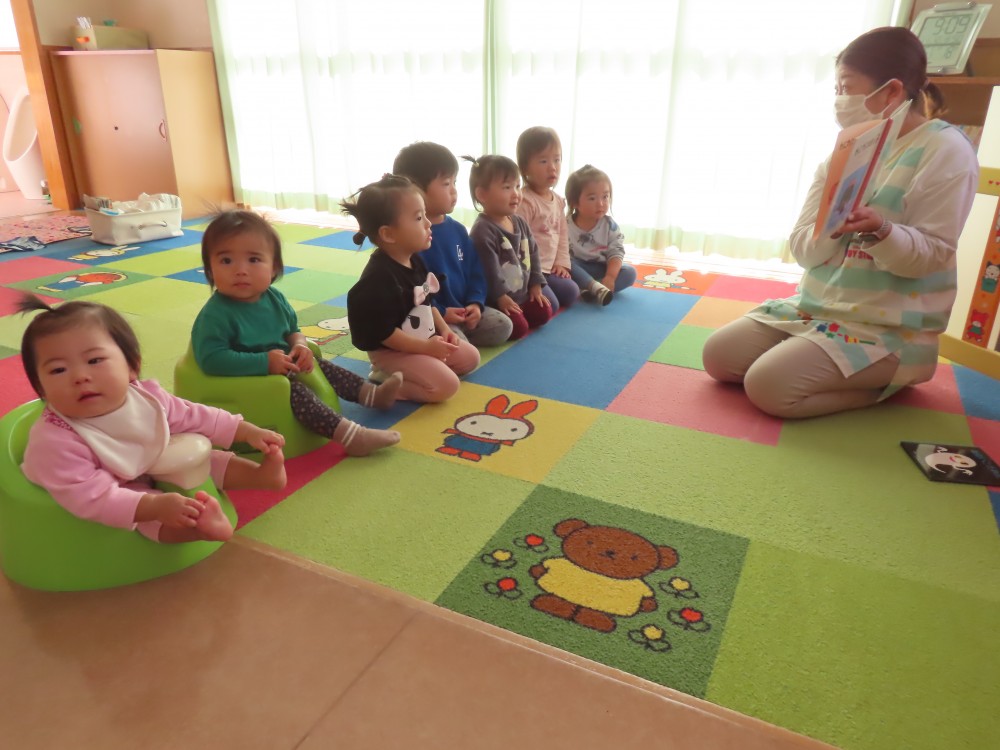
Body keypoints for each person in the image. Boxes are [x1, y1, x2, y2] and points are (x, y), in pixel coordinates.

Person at [702, 27, 978, 419]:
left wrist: (881, 230)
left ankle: (888, 382)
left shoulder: (944, 149)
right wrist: (833, 221)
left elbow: (931, 255)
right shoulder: (848, 150)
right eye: (836, 89)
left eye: (846, 87)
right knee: (718, 358)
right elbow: (804, 251)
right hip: (817, 308)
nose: (839, 100)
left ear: (892, 91)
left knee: (768, 387)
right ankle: (814, 360)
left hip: (889, 328)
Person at [17, 295, 286, 544]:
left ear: (132, 366)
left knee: (204, 458)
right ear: (41, 388)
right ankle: (197, 530)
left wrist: (245, 431)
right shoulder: (55, 441)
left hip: (145, 463)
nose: (79, 377)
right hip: (104, 486)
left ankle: (261, 475)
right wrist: (153, 506)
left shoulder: (146, 398)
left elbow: (194, 416)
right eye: (58, 370)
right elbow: (91, 496)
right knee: (144, 516)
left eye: (95, 360)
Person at [191, 210, 402, 457]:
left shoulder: (274, 299)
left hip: (280, 365)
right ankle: (351, 436)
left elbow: (292, 330)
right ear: (209, 270)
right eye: (226, 261)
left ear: (274, 267)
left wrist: (299, 345)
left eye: (254, 260)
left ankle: (372, 395)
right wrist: (263, 362)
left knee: (320, 365)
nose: (240, 270)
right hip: (245, 378)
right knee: (295, 392)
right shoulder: (215, 316)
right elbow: (211, 359)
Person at [344, 174, 480, 403]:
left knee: (470, 358)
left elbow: (427, 302)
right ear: (388, 234)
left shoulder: (414, 259)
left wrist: (444, 330)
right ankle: (385, 382)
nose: (428, 223)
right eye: (418, 218)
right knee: (447, 386)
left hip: (420, 337)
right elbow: (386, 334)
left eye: (425, 215)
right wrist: (426, 348)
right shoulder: (378, 281)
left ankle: (417, 370)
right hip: (391, 350)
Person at [392, 141, 513, 346]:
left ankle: (458, 338)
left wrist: (475, 303)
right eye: (446, 184)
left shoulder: (457, 230)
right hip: (434, 316)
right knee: (457, 349)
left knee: (504, 326)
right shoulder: (411, 238)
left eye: (455, 182)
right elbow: (411, 289)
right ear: (415, 189)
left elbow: (475, 271)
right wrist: (442, 312)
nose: (454, 191)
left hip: (464, 310)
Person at [466, 154, 554, 340]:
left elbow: (533, 253)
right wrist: (500, 297)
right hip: (498, 299)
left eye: (517, 186)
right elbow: (489, 271)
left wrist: (536, 284)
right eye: (507, 187)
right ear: (482, 195)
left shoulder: (519, 222)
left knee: (544, 312)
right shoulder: (483, 230)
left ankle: (522, 308)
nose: (516, 194)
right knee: (519, 328)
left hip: (522, 293)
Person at [515, 126, 584, 311]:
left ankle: (548, 288)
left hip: (549, 269)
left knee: (571, 292)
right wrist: (532, 279)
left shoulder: (558, 201)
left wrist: (561, 263)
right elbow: (518, 244)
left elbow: (562, 236)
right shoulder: (525, 201)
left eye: (557, 160)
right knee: (550, 305)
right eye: (543, 161)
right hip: (529, 272)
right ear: (524, 167)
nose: (552, 167)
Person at [565, 164, 638, 304]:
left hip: (601, 268)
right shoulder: (565, 225)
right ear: (574, 202)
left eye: (605, 197)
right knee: (567, 264)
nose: (601, 204)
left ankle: (593, 288)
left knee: (630, 273)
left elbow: (616, 252)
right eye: (592, 198)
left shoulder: (610, 226)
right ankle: (593, 287)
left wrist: (610, 277)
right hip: (577, 270)